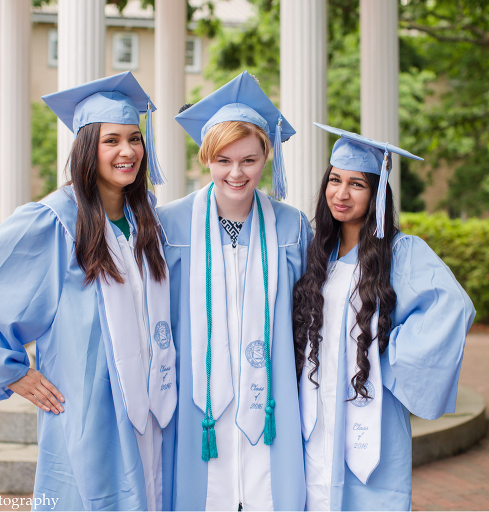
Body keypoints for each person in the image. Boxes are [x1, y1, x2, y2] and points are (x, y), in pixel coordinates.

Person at [0, 72, 176, 511]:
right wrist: (12, 371)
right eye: (111, 141)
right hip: (92, 411)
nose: (128, 152)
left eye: (135, 139)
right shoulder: (55, 219)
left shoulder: (150, 220)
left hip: (156, 407)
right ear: (87, 149)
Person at [293, 123, 475, 511]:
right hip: (317, 404)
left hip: (368, 400)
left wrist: (389, 359)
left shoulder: (401, 252)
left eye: (357, 184)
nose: (341, 194)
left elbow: (453, 307)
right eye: (335, 180)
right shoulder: (317, 252)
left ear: (377, 192)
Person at [156, 71, 312, 510]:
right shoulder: (171, 224)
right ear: (206, 159)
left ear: (268, 157)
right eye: (223, 160)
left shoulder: (292, 226)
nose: (236, 172)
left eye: (249, 159)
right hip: (196, 397)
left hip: (271, 393)